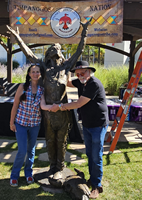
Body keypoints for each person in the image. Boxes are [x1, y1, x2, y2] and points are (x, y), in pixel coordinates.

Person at [7, 18, 92, 181]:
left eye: (57, 51)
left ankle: (59, 167)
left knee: (61, 142)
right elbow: (29, 54)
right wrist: (18, 38)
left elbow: (79, 51)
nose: (54, 54)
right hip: (47, 116)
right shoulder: (43, 69)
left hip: (62, 114)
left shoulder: (65, 67)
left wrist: (84, 32)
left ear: (59, 55)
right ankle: (52, 166)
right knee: (50, 141)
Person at [50, 60, 109, 199]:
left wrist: (59, 107)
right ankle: (92, 180)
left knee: (96, 155)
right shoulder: (80, 81)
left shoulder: (93, 83)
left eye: (83, 72)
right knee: (90, 153)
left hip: (98, 125)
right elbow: (69, 83)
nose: (81, 75)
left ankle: (97, 186)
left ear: (90, 72)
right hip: (88, 124)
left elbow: (78, 103)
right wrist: (67, 70)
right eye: (78, 73)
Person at [9, 64, 52, 187]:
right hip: (21, 123)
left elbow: (43, 105)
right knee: (22, 151)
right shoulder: (22, 87)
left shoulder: (41, 89)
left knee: (31, 151)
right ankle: (14, 176)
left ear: (40, 74)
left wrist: (56, 107)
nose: (35, 74)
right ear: (29, 74)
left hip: (34, 124)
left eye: (37, 72)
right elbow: (15, 105)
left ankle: (28, 173)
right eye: (33, 72)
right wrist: (11, 122)